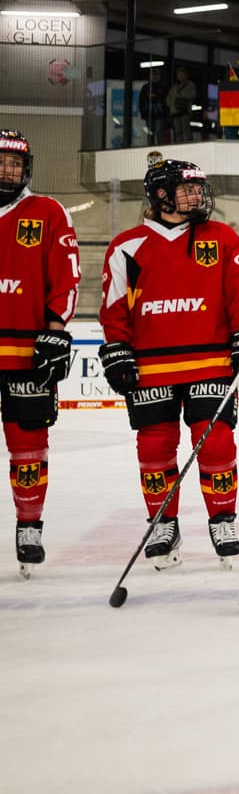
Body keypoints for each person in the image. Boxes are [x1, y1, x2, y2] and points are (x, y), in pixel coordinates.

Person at [98, 159, 239, 568]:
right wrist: (117, 348)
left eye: (197, 188)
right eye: (186, 189)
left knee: (217, 441)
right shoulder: (127, 245)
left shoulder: (223, 237)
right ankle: (163, 523)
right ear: (160, 195)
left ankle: (222, 519)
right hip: (150, 364)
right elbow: (114, 307)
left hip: (211, 360)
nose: (196, 196)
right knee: (154, 447)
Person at [0, 132, 79, 570]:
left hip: (25, 352)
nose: (8, 170)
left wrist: (54, 331)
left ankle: (29, 525)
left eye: (15, 163)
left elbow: (65, 277)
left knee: (28, 445)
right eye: (1, 162)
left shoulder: (48, 212)